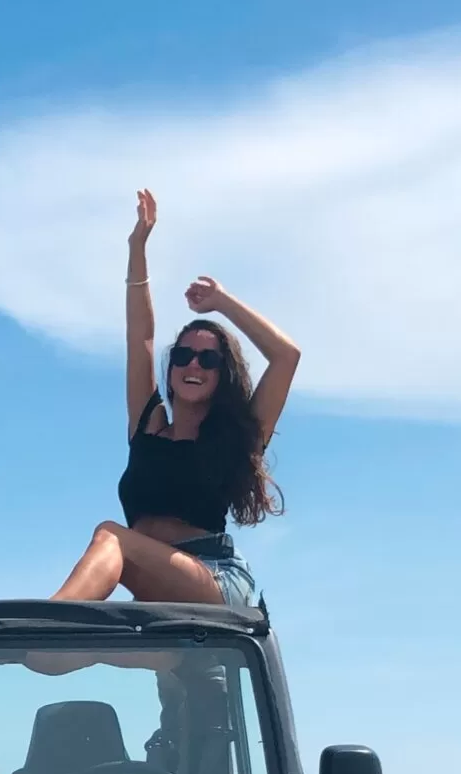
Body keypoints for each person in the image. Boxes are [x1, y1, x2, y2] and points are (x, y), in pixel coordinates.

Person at [51, 190, 299, 606]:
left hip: (213, 579)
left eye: (208, 359)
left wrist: (221, 303)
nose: (193, 365)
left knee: (111, 535)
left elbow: (286, 356)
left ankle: (43, 623)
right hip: (157, 587)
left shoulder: (235, 437)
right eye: (183, 356)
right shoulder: (148, 424)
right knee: (53, 662)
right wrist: (137, 248)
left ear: (224, 375)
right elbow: (141, 337)